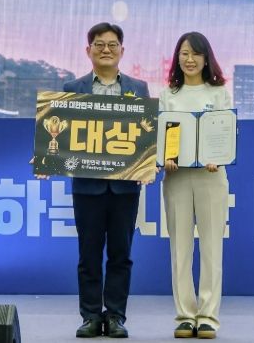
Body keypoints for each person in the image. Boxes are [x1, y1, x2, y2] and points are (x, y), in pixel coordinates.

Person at [63, 22, 151, 339]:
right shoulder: (72, 88)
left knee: (120, 254)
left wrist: (148, 162)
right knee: (88, 255)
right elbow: (60, 135)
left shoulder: (138, 89)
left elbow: (146, 132)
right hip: (87, 186)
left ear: (122, 51)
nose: (106, 50)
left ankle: (115, 316)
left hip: (125, 186)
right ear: (88, 50)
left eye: (112, 45)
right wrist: (47, 156)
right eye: (99, 44)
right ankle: (90, 316)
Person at [159, 32, 231, 340]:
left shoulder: (219, 92)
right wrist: (166, 156)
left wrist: (218, 156)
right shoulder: (168, 94)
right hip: (176, 177)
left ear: (206, 58)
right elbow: (163, 134)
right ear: (177, 58)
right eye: (184, 53)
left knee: (212, 248)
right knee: (180, 249)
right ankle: (186, 316)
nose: (189, 59)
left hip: (211, 176)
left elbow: (226, 131)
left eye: (195, 54)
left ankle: (208, 316)